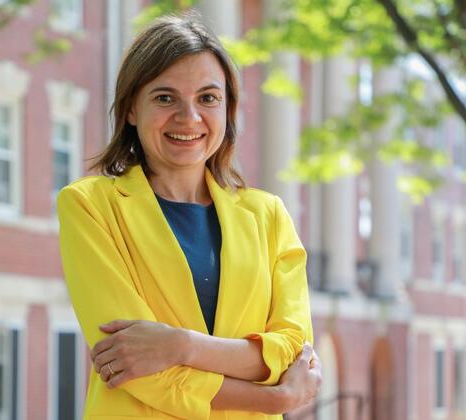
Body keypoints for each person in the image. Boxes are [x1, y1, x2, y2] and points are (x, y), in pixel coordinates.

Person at [57, 11, 321, 419]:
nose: (189, 117)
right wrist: (276, 399)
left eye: (208, 98)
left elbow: (291, 351)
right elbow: (131, 366)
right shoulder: (89, 206)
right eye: (165, 97)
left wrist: (180, 346)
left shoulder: (267, 215)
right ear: (130, 109)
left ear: (228, 109)